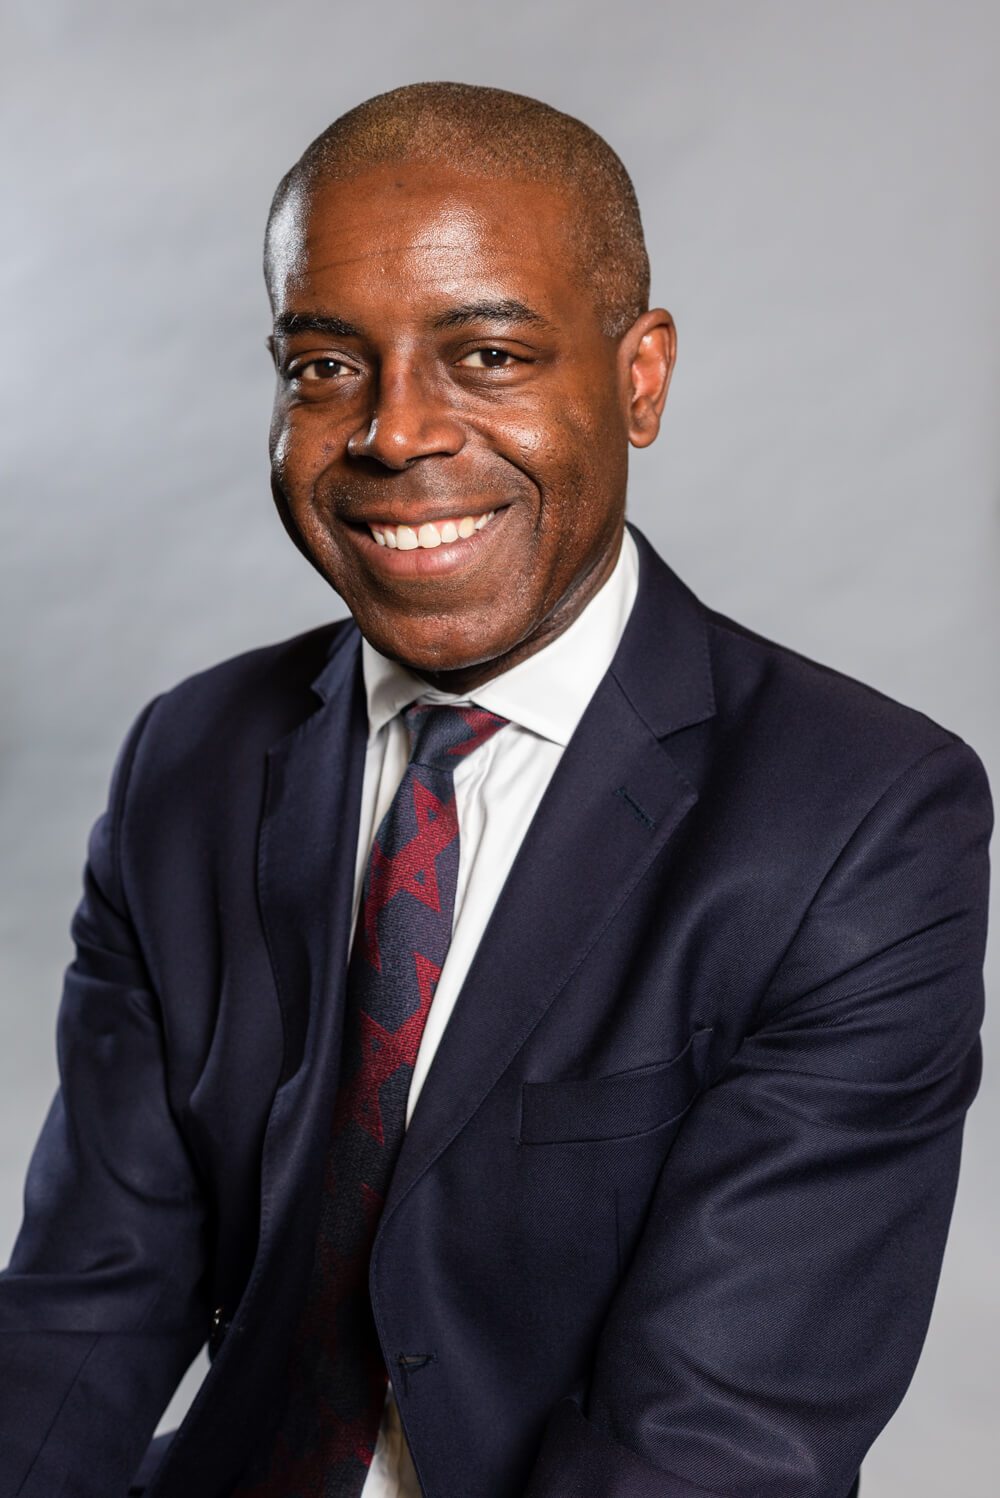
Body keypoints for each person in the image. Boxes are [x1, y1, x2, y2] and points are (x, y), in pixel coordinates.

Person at [0, 81, 990, 1498]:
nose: (396, 431)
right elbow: (85, 1305)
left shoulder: (861, 818)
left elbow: (712, 1447)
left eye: (489, 355)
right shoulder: (192, 759)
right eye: (325, 364)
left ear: (640, 378)